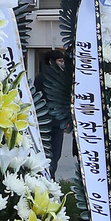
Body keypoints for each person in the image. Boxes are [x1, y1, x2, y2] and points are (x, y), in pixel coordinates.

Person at [37, 47, 73, 176]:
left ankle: (52, 176)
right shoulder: (41, 79)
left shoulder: (61, 78)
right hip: (45, 123)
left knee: (56, 154)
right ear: (50, 62)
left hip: (58, 123)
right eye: (59, 60)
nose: (62, 63)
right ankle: (47, 177)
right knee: (47, 154)